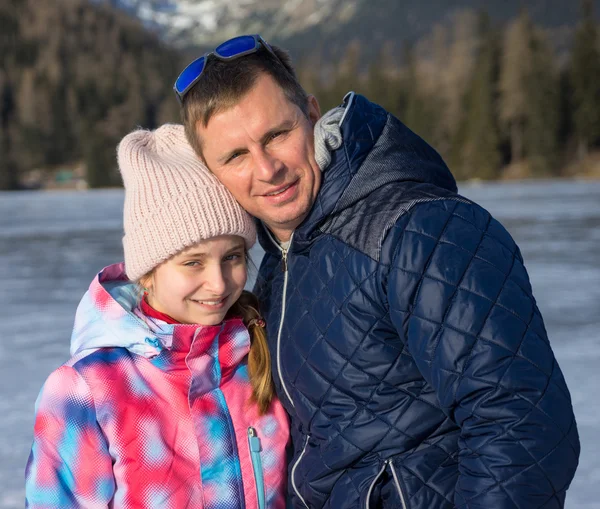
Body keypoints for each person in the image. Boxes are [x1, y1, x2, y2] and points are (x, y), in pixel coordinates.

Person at [174, 34, 580, 509]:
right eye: (235, 156)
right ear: (211, 171)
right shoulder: (281, 266)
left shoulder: (418, 229)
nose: (266, 169)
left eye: (277, 135)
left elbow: (520, 421)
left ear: (310, 113)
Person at [25, 124, 290, 508]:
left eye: (232, 257)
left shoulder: (259, 352)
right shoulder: (88, 389)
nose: (217, 284)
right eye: (193, 262)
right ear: (148, 271)